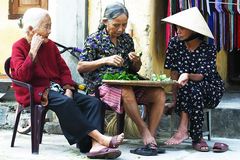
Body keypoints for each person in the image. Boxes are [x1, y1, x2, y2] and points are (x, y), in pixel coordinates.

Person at [10, 8, 124, 159]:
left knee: (94, 102)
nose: (50, 30)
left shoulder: (50, 46)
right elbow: (21, 76)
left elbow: (64, 70)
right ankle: (100, 140)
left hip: (57, 89)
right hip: (36, 91)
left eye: (50, 26)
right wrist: (32, 52)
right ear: (31, 29)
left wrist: (69, 88)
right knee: (65, 102)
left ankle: (90, 145)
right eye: (46, 26)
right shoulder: (19, 46)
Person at [77, 2, 166, 156]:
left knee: (159, 93)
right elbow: (81, 67)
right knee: (125, 90)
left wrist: (136, 61)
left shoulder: (126, 40)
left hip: (126, 84)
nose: (121, 29)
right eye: (116, 25)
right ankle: (144, 131)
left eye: (124, 25)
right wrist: (105, 60)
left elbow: (134, 69)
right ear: (105, 21)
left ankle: (150, 142)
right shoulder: (94, 40)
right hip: (101, 86)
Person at [162, 7, 224, 152]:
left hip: (211, 89)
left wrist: (188, 75)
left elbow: (202, 75)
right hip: (186, 90)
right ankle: (197, 138)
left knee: (193, 87)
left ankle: (183, 131)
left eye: (182, 28)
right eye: (177, 27)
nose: (178, 31)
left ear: (194, 31)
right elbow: (174, 74)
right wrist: (175, 101)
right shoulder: (174, 44)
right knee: (190, 88)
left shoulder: (208, 49)